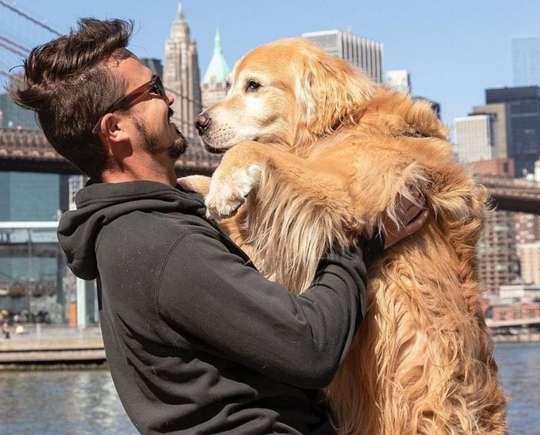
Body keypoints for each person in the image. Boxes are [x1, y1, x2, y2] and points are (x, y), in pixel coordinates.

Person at [11, 18, 427, 434]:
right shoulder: (158, 242)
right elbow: (312, 346)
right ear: (115, 129)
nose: (171, 98)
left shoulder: (148, 227)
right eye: (152, 91)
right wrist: (364, 242)